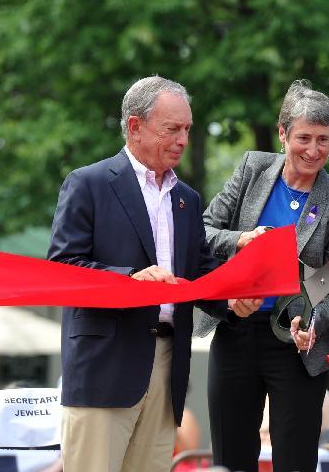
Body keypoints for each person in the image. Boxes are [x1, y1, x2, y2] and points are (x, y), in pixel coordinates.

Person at [48, 76, 221, 472]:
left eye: (187, 130)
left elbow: (202, 274)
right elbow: (62, 268)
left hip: (167, 366)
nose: (183, 140)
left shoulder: (188, 200)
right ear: (135, 126)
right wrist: (130, 280)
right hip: (105, 366)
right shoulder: (87, 184)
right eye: (172, 129)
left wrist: (235, 299)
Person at [194, 80, 329, 472]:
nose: (313, 150)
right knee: (231, 458)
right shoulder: (252, 168)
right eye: (304, 137)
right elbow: (201, 232)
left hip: (296, 346)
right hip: (234, 329)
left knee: (296, 460)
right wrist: (241, 240)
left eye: (324, 139)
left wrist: (315, 322)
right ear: (283, 133)